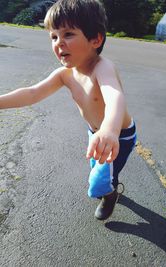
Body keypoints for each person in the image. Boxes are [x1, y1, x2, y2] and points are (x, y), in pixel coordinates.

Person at [0, 0, 137, 220]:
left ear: (96, 39)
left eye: (68, 34)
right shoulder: (65, 74)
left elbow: (115, 97)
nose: (59, 43)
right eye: (54, 37)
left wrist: (109, 130)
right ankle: (109, 181)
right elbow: (32, 93)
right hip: (96, 133)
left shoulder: (103, 68)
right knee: (99, 168)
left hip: (118, 135)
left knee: (98, 183)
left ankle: (109, 195)